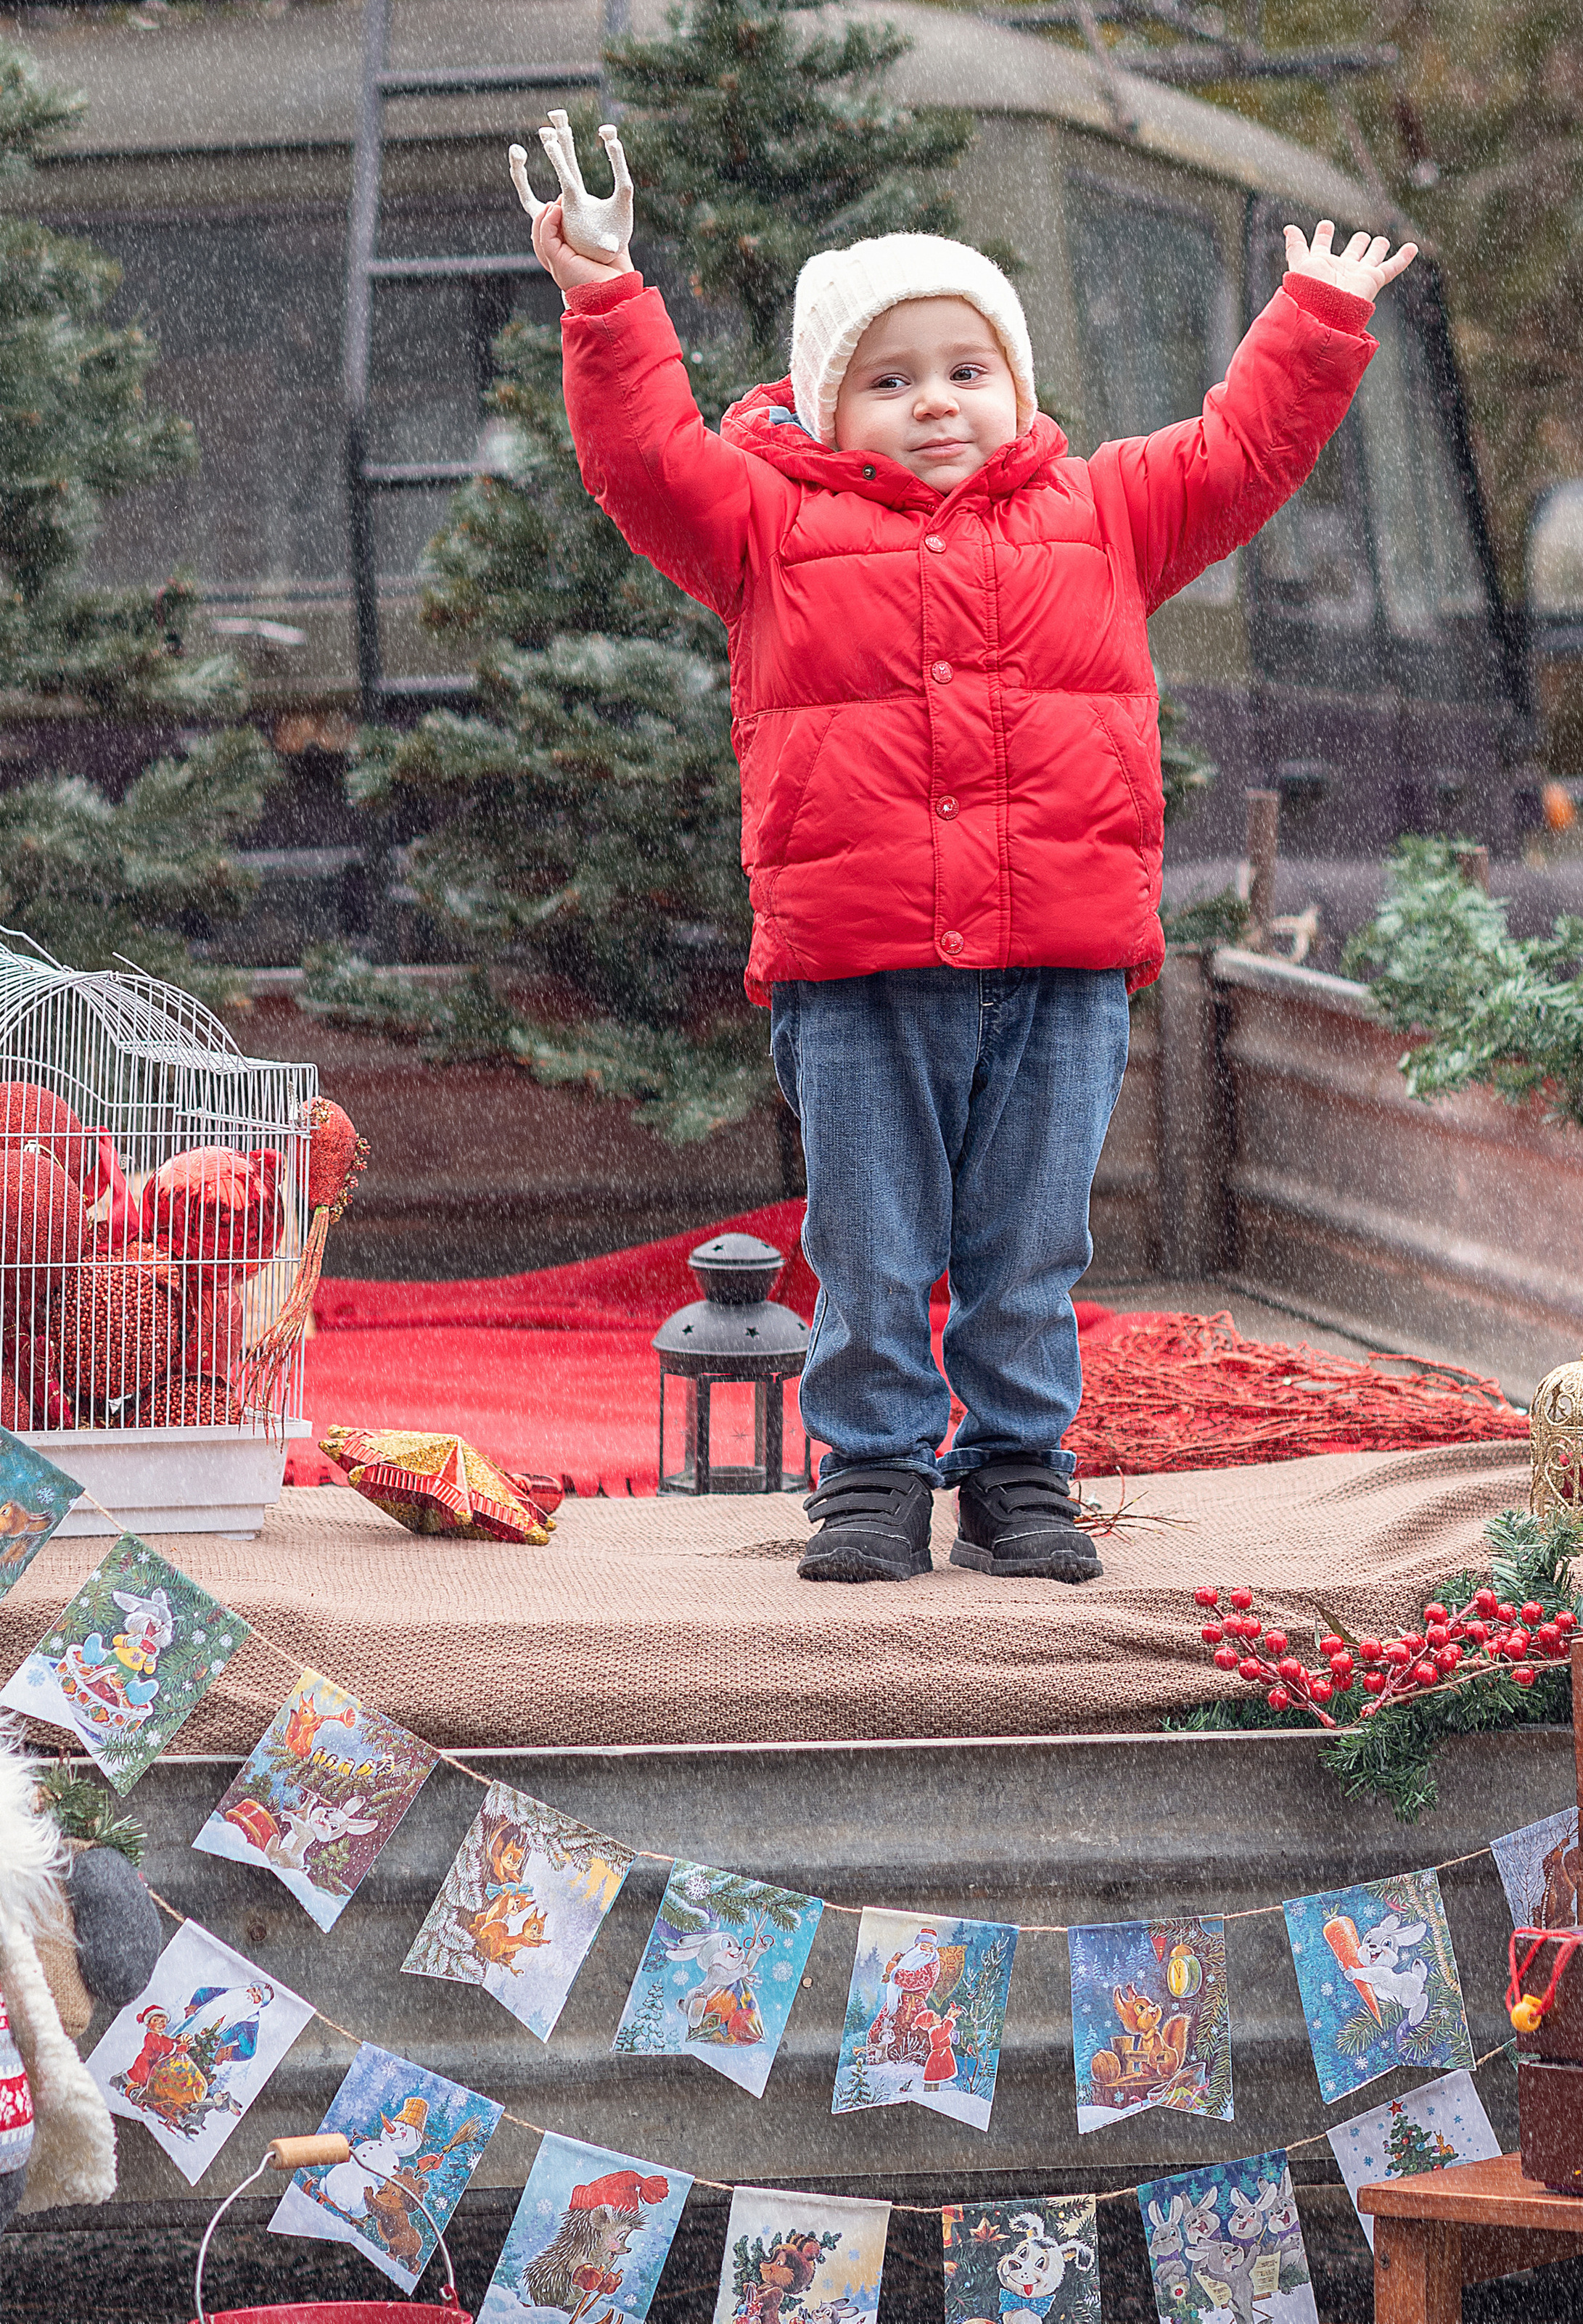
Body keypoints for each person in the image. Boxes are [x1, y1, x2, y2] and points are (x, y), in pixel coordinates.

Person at [514, 112, 1413, 1586]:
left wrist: (1309, 321)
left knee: (1026, 1249)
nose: (936, 403)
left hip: (1055, 971)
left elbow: (1242, 452)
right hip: (860, 976)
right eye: (889, 379)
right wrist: (607, 297)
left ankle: (1014, 1473)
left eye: (964, 370)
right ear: (821, 404)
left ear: (1015, 382)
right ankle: (869, 1475)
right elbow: (642, 461)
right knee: (870, 1249)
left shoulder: (1104, 512)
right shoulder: (762, 523)